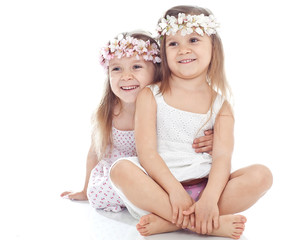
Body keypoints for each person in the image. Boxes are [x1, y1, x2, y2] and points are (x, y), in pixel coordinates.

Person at [109, 5, 273, 239]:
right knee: (121, 170)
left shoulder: (221, 105)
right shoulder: (151, 95)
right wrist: (175, 191)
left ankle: (174, 222)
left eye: (193, 40)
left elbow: (222, 158)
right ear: (164, 52)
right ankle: (204, 224)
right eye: (173, 43)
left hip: (206, 188)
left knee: (262, 175)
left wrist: (210, 198)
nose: (183, 50)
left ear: (213, 46)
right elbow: (147, 153)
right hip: (161, 192)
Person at [60, 31, 214, 212]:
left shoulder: (168, 105)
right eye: (116, 69)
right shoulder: (108, 111)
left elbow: (190, 134)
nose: (126, 76)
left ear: (156, 71)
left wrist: (213, 140)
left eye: (136, 67)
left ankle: (165, 209)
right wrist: (85, 190)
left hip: (161, 175)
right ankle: (170, 211)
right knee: (102, 190)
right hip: (124, 175)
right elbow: (95, 153)